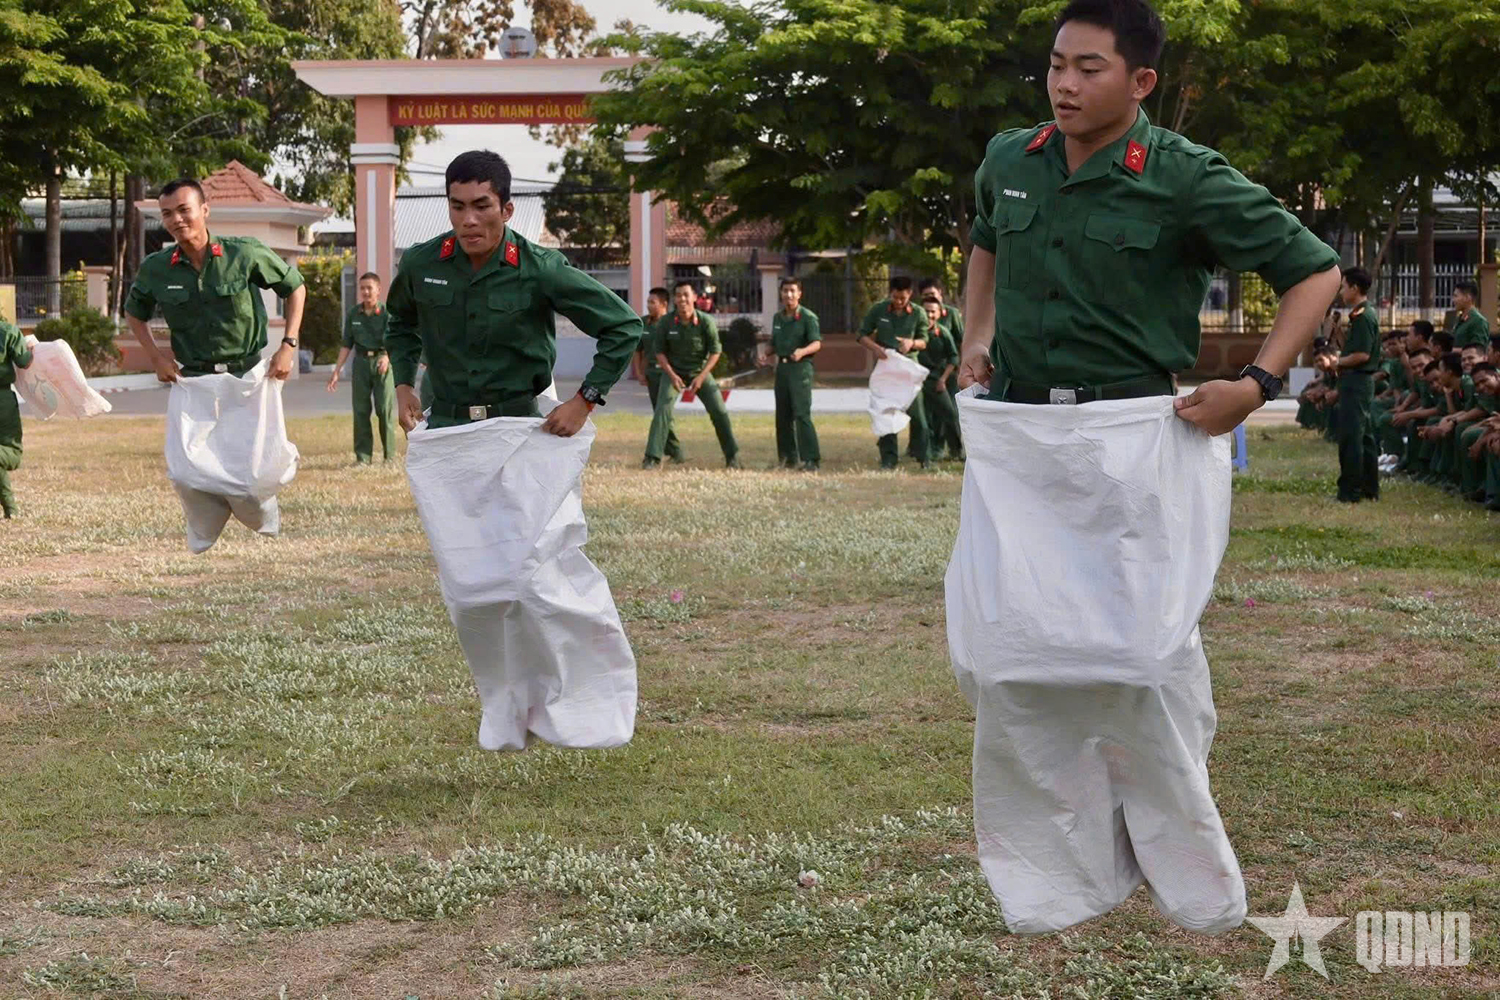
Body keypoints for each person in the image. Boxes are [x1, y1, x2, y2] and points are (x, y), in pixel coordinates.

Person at [954, 0, 1340, 937]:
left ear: (1142, 82)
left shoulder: (1183, 178)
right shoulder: (1012, 160)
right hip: (1021, 448)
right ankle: (1059, 872)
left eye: (1089, 68)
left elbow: (1314, 271)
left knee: (1140, 655)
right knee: (1006, 659)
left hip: (1130, 446)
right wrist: (976, 338)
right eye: (1055, 65)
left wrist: (1253, 383)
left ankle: (1179, 853)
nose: (1065, 84)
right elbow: (984, 246)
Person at [387, 151, 640, 433]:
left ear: (507, 210)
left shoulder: (540, 269)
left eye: (481, 206)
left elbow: (624, 327)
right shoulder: (421, 264)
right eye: (457, 207)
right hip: (445, 426)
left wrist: (584, 401)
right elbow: (400, 325)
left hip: (518, 428)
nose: (469, 219)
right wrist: (404, 387)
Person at [125, 179, 306, 383]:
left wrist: (288, 345)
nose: (176, 219)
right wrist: (156, 357)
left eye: (184, 209)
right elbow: (134, 313)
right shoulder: (156, 267)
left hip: (248, 378)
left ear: (204, 210)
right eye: (167, 214)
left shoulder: (243, 253)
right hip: (191, 381)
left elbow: (295, 288)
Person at [643, 281, 741, 469]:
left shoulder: (706, 321)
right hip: (673, 373)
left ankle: (733, 456)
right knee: (662, 411)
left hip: (699, 373)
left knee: (719, 412)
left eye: (686, 295)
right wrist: (671, 375)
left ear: (695, 297)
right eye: (678, 295)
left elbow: (715, 351)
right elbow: (659, 352)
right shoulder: (666, 322)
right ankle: (652, 458)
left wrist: (702, 376)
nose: (682, 299)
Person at [1317, 267, 1380, 502]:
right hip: (1355, 381)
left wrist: (1335, 362)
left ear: (1355, 288)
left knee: (1352, 438)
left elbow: (1362, 355)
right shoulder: (1358, 315)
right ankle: (1368, 488)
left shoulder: (1364, 316)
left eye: (1343, 286)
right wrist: (1338, 332)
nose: (1341, 291)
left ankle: (1350, 491)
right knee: (1364, 437)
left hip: (1357, 381)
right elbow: (1353, 348)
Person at [857, 276, 931, 469]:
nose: (898, 302)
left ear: (910, 295)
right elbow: (861, 335)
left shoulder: (918, 313)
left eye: (903, 298)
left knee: (918, 415)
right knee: (885, 412)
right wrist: (874, 348)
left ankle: (924, 458)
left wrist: (912, 343)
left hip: (908, 367)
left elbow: (924, 340)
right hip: (886, 366)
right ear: (890, 293)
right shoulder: (879, 309)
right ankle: (888, 459)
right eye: (895, 297)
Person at [326, 271, 397, 464]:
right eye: (362, 288)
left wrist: (387, 357)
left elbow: (395, 341)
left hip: (382, 364)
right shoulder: (353, 314)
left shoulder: (387, 313)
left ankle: (389, 456)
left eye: (369, 288)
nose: (365, 292)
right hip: (361, 364)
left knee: (384, 409)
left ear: (378, 290)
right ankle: (363, 457)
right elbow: (346, 344)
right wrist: (336, 371)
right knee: (360, 411)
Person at [760, 277, 822, 470]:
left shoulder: (808, 317)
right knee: (783, 415)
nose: (788, 295)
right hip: (783, 369)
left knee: (801, 414)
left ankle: (811, 459)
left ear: (799, 294)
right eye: (785, 291)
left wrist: (802, 351)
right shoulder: (778, 318)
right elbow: (773, 342)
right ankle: (788, 458)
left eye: (792, 291)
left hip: (800, 368)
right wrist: (765, 353)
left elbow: (817, 343)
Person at [631, 286, 682, 463]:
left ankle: (663, 454)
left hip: (668, 374)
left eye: (652, 302)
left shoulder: (673, 322)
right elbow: (637, 351)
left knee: (662, 411)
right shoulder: (643, 323)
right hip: (651, 373)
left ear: (664, 304)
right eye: (648, 302)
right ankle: (675, 452)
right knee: (660, 412)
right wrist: (639, 373)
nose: (648, 305)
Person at [918, 277, 965, 458]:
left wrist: (960, 366)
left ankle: (955, 448)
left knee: (949, 411)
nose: (930, 297)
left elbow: (960, 341)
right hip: (924, 373)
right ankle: (933, 448)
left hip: (947, 371)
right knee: (929, 414)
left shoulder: (951, 315)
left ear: (940, 294)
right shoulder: (919, 316)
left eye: (933, 294)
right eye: (926, 295)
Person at [0, 320, 35, 519]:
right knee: (12, 453)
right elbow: (24, 362)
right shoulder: (7, 331)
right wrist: (31, 350)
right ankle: (11, 509)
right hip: (2, 400)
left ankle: (10, 509)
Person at [1449, 279, 1491, 350]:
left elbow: (1478, 350)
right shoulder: (1460, 319)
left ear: (1467, 298)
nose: (1453, 300)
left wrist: (1451, 351)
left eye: (1456, 296)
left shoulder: (1478, 321)